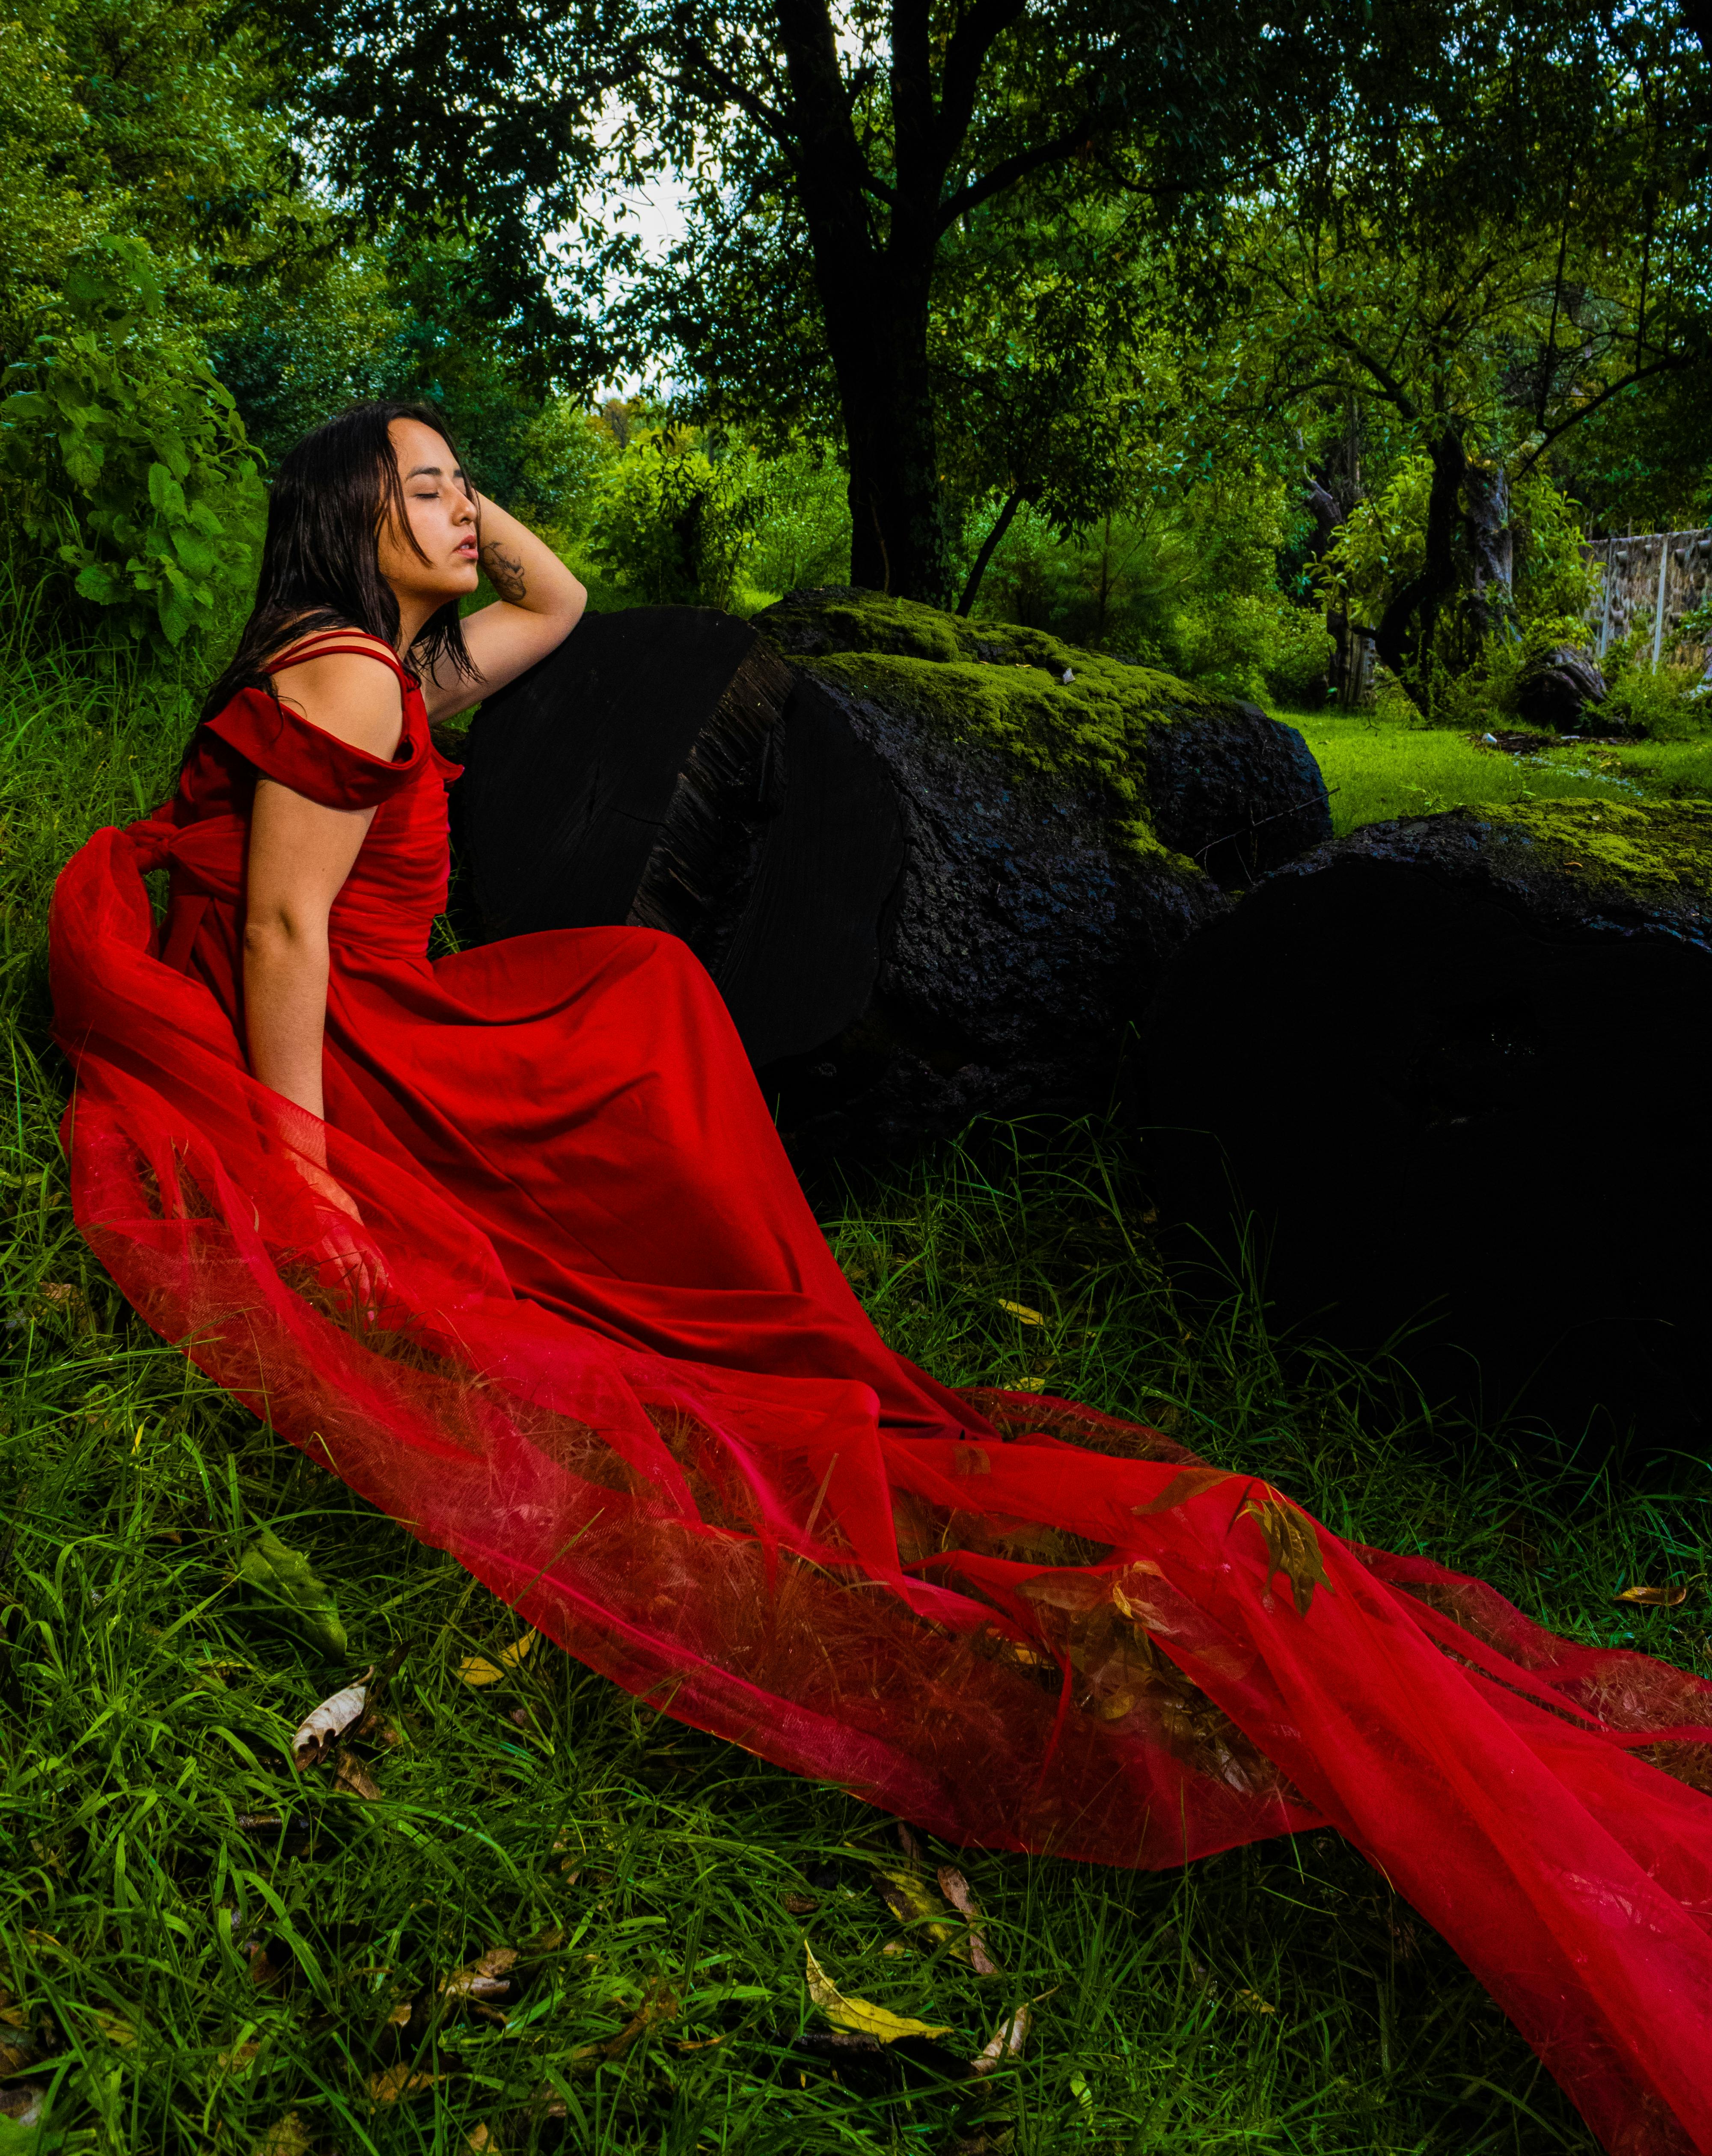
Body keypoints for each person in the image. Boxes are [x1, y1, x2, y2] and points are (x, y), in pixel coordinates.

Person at [51, 404, 1712, 2156]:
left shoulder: (380, 654)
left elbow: (565, 601)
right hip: (353, 1033)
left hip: (378, 959)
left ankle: (724, 1286)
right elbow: (284, 931)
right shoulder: (353, 680)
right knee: (645, 1016)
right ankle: (723, 1303)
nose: (472, 514)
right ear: (348, 524)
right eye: (433, 491)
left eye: (469, 482)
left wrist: (439, 504)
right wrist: (306, 1168)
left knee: (643, 996)